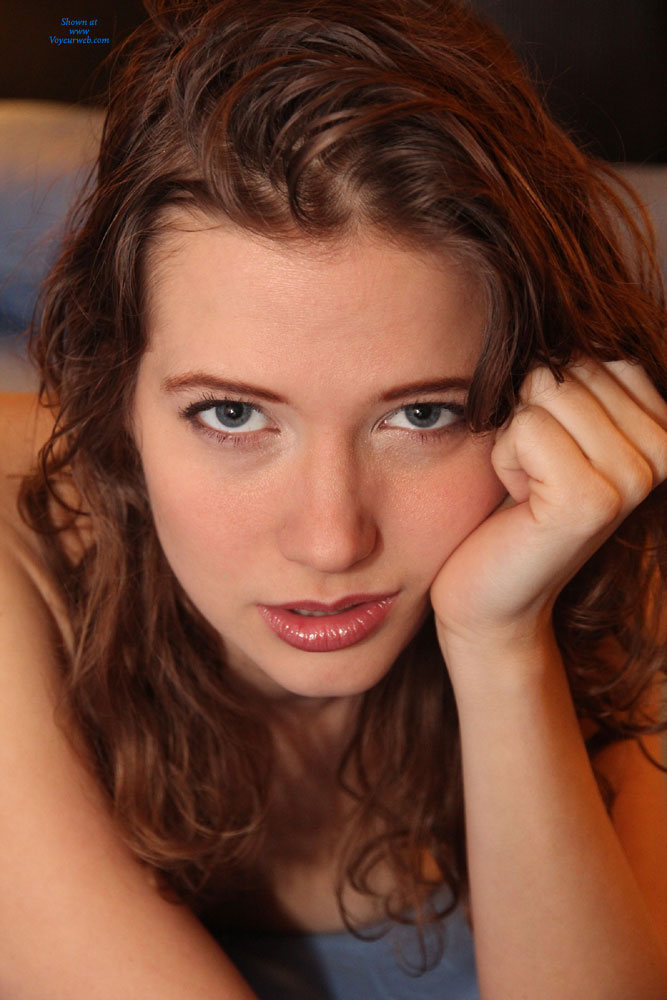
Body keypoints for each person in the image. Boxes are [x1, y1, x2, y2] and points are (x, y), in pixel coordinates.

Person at [0, 0, 665, 996]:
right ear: (111, 391)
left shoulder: (602, 538)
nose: (329, 540)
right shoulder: (19, 536)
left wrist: (501, 642)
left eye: (422, 414)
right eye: (231, 414)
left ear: (540, 395)